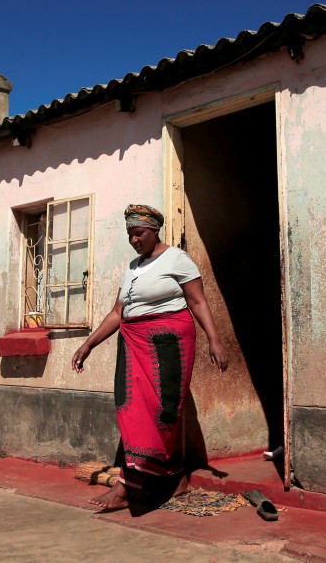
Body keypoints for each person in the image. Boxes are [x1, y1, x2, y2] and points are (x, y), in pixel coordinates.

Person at [71, 204, 229, 510]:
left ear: (155, 230)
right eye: (130, 234)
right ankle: (175, 480)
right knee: (130, 407)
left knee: (163, 413)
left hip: (168, 344)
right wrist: (88, 344)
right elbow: (118, 312)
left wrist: (215, 339)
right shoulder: (133, 267)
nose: (134, 240)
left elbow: (197, 301)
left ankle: (127, 487)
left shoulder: (176, 259)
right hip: (133, 343)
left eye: (139, 233)